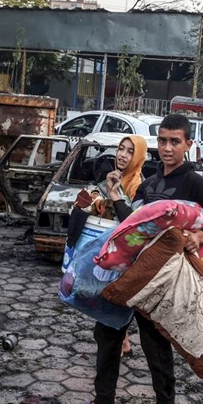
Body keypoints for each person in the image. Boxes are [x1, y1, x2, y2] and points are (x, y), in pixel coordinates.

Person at [65, 113, 203, 404]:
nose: (168, 147)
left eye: (175, 141)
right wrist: (116, 196)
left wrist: (197, 237)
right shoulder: (151, 182)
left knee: (154, 339)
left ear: (188, 144)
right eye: (163, 141)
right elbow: (133, 222)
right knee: (108, 330)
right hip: (134, 271)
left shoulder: (193, 181)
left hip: (163, 277)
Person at [69, 134, 148, 356]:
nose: (123, 155)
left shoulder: (138, 186)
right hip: (108, 248)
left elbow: (133, 221)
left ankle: (117, 347)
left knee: (113, 298)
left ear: (139, 156)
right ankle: (123, 342)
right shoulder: (114, 178)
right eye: (121, 149)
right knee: (107, 295)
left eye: (130, 151)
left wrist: (115, 194)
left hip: (124, 251)